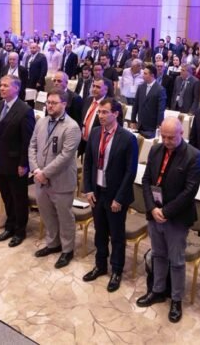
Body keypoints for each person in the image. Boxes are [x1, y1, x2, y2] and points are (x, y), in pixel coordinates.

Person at [136, 117, 200, 323]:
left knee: (176, 261)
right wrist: (152, 208)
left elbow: (189, 192)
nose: (166, 141)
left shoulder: (194, 156)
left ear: (181, 133)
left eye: (171, 137)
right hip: (155, 213)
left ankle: (176, 299)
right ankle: (157, 290)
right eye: (163, 136)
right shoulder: (156, 149)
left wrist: (165, 212)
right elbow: (146, 180)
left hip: (176, 218)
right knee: (158, 255)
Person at [82, 99, 138, 292]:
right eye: (99, 112)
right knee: (100, 231)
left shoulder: (127, 138)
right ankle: (100, 265)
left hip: (115, 195)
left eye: (105, 112)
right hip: (97, 191)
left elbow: (130, 172)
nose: (101, 116)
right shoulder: (95, 133)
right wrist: (88, 189)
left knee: (116, 235)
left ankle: (116, 270)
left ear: (116, 114)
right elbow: (88, 163)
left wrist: (119, 199)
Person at [28, 90, 82, 268]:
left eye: (54, 103)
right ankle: (53, 243)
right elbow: (32, 146)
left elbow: (65, 156)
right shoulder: (41, 122)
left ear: (64, 104)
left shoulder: (72, 127)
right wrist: (36, 170)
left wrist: (45, 173)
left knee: (64, 217)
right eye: (48, 102)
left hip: (61, 180)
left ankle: (67, 250)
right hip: (40, 179)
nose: (50, 106)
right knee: (47, 214)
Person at [0, 75, 35, 247]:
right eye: (1, 85)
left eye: (6, 86)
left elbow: (28, 140)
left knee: (19, 198)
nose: (1, 88)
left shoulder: (25, 110)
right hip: (1, 159)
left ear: (16, 88)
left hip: (16, 162)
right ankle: (9, 226)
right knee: (7, 196)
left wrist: (24, 164)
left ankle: (20, 230)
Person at [131, 64, 167, 139]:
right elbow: (136, 105)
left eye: (145, 73)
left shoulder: (160, 90)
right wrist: (133, 120)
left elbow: (161, 110)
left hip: (152, 127)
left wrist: (159, 125)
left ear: (152, 75)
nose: (142, 75)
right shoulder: (141, 87)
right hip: (140, 125)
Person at [79, 79, 107, 156]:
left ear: (106, 89)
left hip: (98, 145)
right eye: (93, 86)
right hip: (83, 142)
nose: (94, 89)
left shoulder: (109, 105)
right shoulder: (87, 100)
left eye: (98, 87)